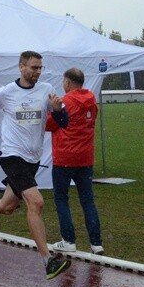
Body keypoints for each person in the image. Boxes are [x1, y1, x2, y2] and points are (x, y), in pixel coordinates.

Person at [0, 51, 71, 280]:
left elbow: (64, 123)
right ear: (21, 67)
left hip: (32, 160)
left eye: (40, 68)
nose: (38, 72)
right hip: (12, 156)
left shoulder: (47, 90)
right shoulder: (6, 92)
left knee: (7, 205)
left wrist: (58, 110)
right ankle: (48, 260)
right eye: (34, 67)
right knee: (36, 202)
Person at [46, 68, 104, 255]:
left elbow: (49, 124)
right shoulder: (92, 101)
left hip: (64, 157)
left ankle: (68, 240)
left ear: (67, 83)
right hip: (85, 158)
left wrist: (53, 110)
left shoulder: (64, 102)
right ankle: (96, 243)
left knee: (61, 199)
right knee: (88, 201)